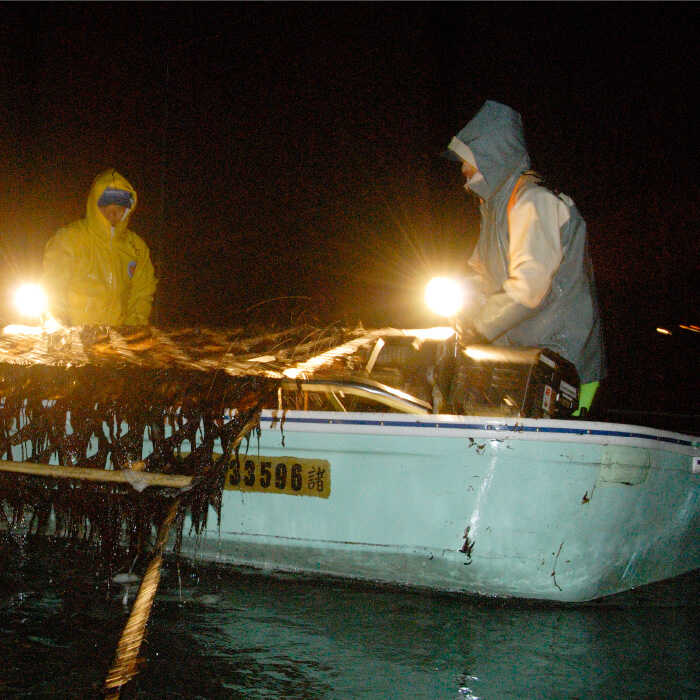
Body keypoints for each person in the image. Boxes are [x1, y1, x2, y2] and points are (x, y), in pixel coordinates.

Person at [444, 100, 605, 413]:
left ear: (494, 155)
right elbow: (480, 273)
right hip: (524, 361)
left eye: (469, 159)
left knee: (565, 446)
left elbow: (529, 286)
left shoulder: (534, 202)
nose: (463, 169)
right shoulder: (493, 210)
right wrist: (460, 313)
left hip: (566, 363)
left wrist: (478, 326)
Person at [43, 169, 157, 326]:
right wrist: (60, 327)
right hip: (73, 339)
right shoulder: (70, 239)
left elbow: (142, 293)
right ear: (94, 204)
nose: (113, 213)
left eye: (119, 207)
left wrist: (133, 330)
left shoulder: (136, 247)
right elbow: (53, 286)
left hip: (117, 341)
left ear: (128, 208)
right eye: (106, 206)